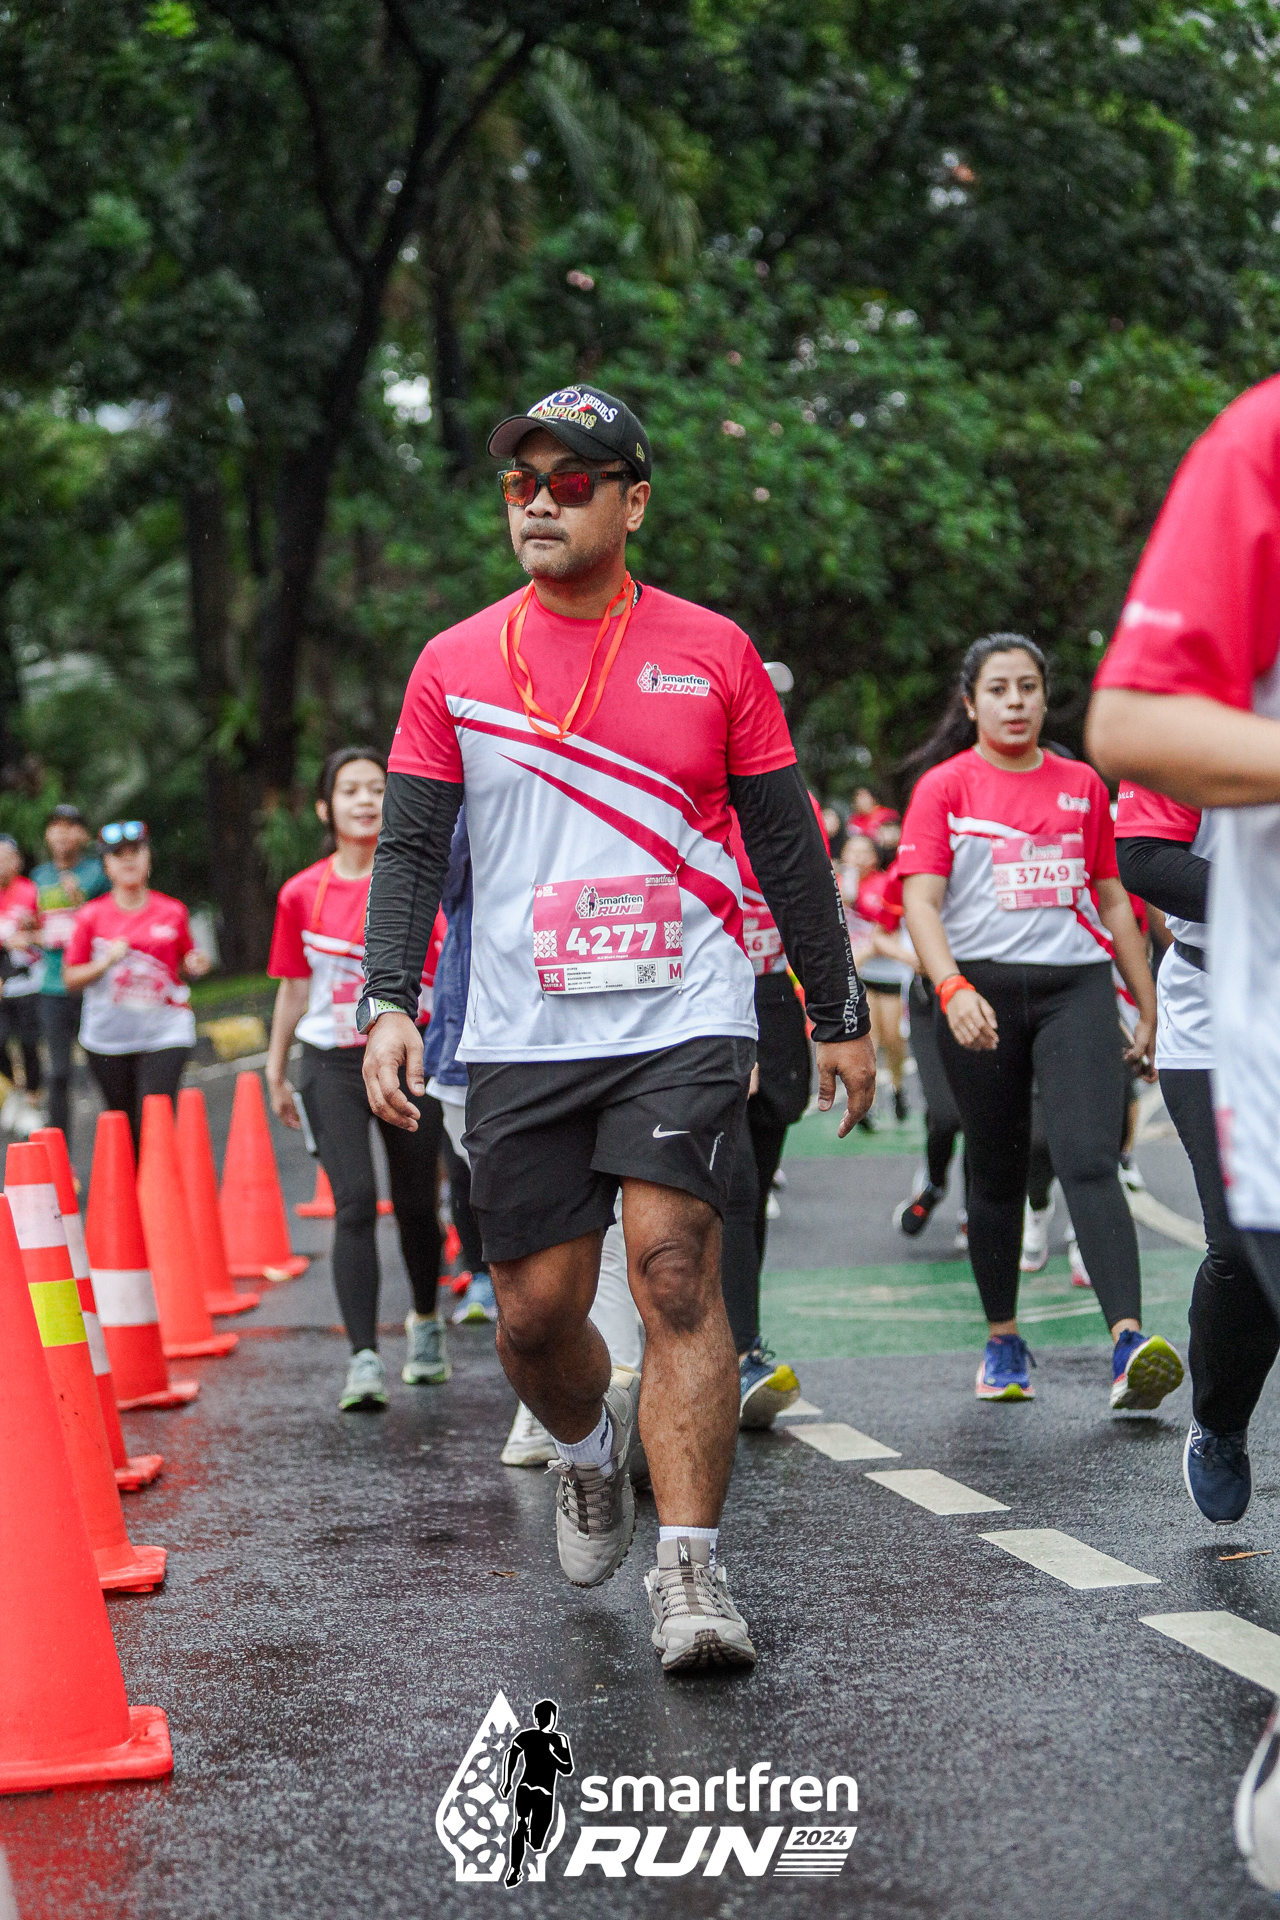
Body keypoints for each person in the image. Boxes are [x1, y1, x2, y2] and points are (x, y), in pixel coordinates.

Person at [359, 383, 874, 1673]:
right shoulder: (453, 663)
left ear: (631, 502)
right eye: (519, 482)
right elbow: (410, 850)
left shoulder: (713, 651)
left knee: (673, 1270)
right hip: (521, 1031)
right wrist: (389, 1001)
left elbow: (785, 843)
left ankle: (689, 1573)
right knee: (534, 1314)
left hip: (681, 1012)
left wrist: (835, 1006)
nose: (538, 502)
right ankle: (589, 1450)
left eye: (570, 481)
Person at [1082, 378, 1280, 1888]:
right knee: (1238, 1261)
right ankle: (1216, 1417)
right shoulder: (1259, 449)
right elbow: (1145, 840)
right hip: (1237, 1014)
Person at [899, 634, 1181, 1410]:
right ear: (971, 703)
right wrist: (951, 987)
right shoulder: (945, 788)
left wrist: (1146, 1001)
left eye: (1028, 686)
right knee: (995, 1170)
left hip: (1074, 992)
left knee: (1090, 1157)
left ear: (1044, 696)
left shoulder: (1081, 784)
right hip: (980, 996)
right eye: (999, 689)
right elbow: (920, 901)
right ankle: (1002, 1341)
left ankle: (1128, 1342)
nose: (1016, 701)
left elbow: (1114, 899)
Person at [265, 748, 447, 1413]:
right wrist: (275, 1068)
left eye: (377, 788)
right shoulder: (300, 893)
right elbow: (293, 987)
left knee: (417, 1204)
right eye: (350, 790)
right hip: (331, 1062)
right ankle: (364, 1358)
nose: (366, 800)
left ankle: (424, 1321)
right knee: (354, 1202)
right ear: (326, 807)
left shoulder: (422, 885)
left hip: (407, 1054)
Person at [62, 821, 210, 1147]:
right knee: (125, 1129)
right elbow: (70, 978)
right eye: (118, 855)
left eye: (135, 852)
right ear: (106, 866)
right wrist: (106, 962)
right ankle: (138, 1179)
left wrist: (195, 964)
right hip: (107, 1040)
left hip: (165, 1031)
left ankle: (162, 1179)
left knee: (154, 1118)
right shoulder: (90, 917)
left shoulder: (172, 911)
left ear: (148, 859)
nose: (128, 860)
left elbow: (186, 962)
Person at [30, 802, 108, 1146]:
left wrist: (82, 904)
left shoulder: (99, 872)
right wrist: (30, 931)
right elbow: (36, 925)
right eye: (55, 826)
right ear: (47, 835)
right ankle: (59, 1158)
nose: (62, 833)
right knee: (58, 1073)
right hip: (53, 985)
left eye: (70, 826)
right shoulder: (38, 877)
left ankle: (122, 1151)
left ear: (83, 834)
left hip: (93, 984)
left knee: (103, 1071)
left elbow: (113, 919)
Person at [498, 1699, 573, 1888]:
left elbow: (567, 1768)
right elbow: (511, 1754)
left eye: (549, 1716)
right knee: (520, 1825)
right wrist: (507, 1781)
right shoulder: (528, 1736)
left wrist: (551, 1755)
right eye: (545, 1716)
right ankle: (515, 1869)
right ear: (538, 1718)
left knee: (536, 1841)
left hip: (542, 1793)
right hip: (528, 1788)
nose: (548, 1720)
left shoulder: (559, 1739)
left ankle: (527, 1839)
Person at [0, 834, 44, 1113]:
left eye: (5, 858)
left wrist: (30, 932)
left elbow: (49, 933)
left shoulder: (31, 891)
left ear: (16, 861)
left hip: (29, 980)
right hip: (2, 980)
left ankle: (33, 1093)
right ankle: (11, 1089)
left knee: (29, 1041)